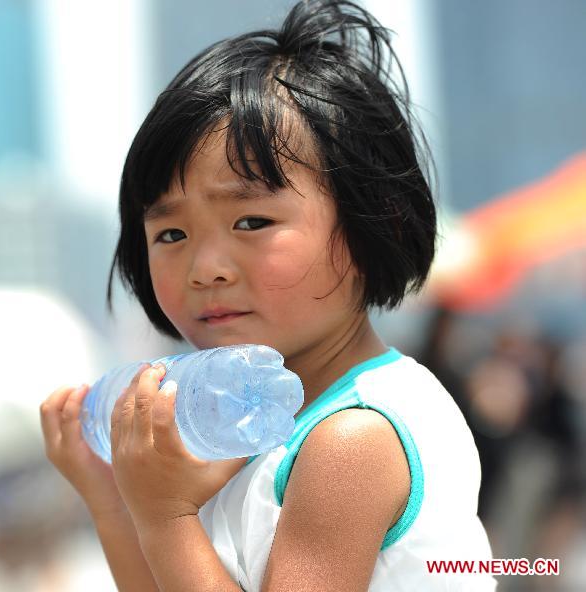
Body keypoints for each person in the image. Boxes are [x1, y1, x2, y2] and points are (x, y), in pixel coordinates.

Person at [40, 1, 495, 589]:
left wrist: (166, 516)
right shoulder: (253, 423)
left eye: (252, 222)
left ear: (372, 223)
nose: (206, 268)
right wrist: (119, 498)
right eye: (171, 234)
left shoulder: (352, 436)